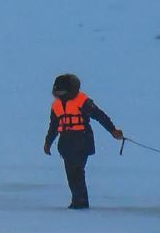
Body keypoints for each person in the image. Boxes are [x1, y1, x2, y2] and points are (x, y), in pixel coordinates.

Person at [42, 72, 124, 209]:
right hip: (66, 143)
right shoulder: (56, 106)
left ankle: (80, 202)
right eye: (58, 91)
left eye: (63, 91)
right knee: (72, 174)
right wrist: (48, 142)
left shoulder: (82, 101)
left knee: (76, 171)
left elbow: (99, 115)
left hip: (82, 140)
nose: (60, 94)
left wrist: (113, 130)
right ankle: (78, 201)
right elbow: (54, 126)